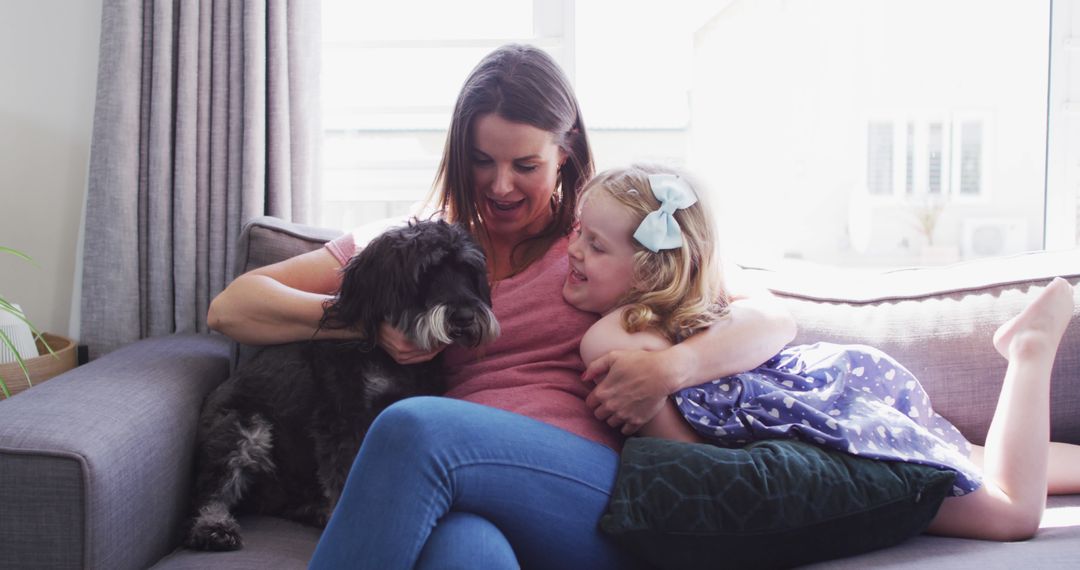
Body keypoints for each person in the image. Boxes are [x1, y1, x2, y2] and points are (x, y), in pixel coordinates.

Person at [207, 44, 797, 568]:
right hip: (458, 490)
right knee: (461, 549)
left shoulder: (603, 244)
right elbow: (234, 308)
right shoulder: (410, 248)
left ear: (564, 154)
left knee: (414, 428)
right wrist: (366, 323)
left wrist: (674, 367)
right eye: (482, 160)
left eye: (526, 165)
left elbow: (772, 318)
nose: (500, 186)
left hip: (579, 489)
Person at [563, 162, 1080, 541]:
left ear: (652, 270)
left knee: (1011, 514)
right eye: (579, 234)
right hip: (833, 397)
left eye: (596, 245)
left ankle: (1030, 349)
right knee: (972, 458)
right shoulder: (695, 304)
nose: (573, 251)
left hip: (835, 438)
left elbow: (690, 458)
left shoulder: (613, 338)